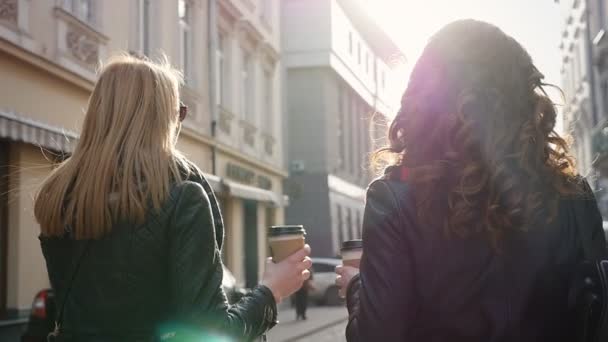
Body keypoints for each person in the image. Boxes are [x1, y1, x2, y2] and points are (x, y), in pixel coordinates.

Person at [335, 20, 607, 341]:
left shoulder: (394, 201)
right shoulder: (574, 197)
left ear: (423, 102)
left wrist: (356, 287)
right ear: (524, 102)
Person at [34, 54, 312, 341]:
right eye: (178, 112)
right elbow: (212, 333)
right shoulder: (183, 199)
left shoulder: (58, 198)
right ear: (162, 119)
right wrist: (271, 290)